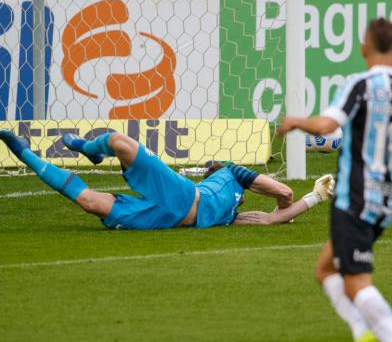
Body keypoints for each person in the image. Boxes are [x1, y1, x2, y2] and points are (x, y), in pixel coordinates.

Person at [278, 18, 392, 342]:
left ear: (364, 47)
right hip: (384, 200)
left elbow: (328, 126)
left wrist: (296, 121)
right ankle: (363, 334)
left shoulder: (362, 84)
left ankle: (377, 335)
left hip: (355, 196)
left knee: (357, 283)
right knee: (326, 270)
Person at [0, 128, 333, 229]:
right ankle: (91, 150)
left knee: (89, 202)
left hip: (163, 217)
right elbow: (284, 195)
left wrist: (315, 197)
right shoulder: (232, 173)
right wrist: (303, 198)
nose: (209, 166)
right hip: (182, 197)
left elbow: (272, 218)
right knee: (118, 141)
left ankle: (24, 154)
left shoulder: (233, 216)